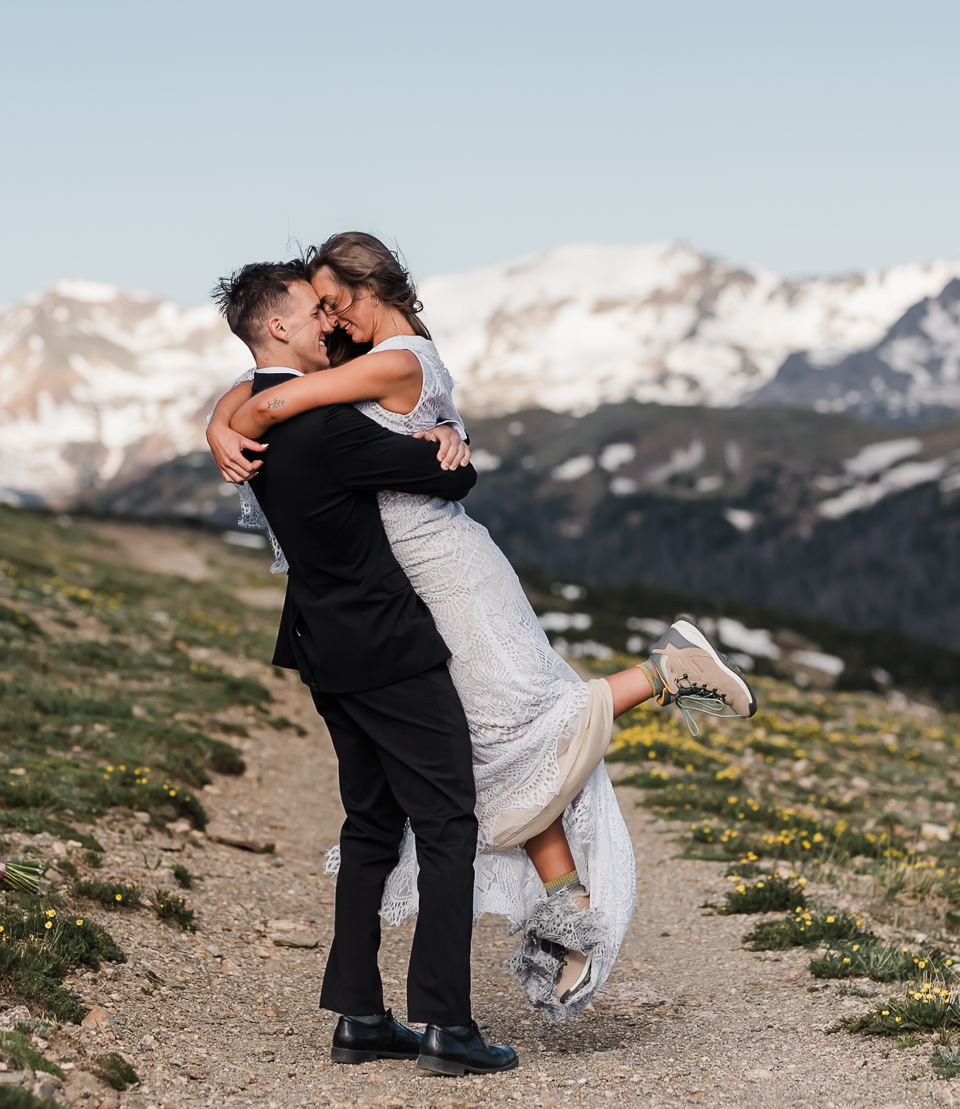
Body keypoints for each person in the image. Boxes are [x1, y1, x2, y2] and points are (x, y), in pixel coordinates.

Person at [208, 236, 757, 1020]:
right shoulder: (353, 364)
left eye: (332, 303)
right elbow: (263, 380)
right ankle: (566, 911)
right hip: (414, 585)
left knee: (514, 727)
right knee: (492, 743)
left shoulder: (397, 360)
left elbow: (276, 398)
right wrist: (218, 420)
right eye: (316, 309)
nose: (326, 321)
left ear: (368, 293)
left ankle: (666, 673)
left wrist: (234, 420)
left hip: (448, 573)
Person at [210, 260, 516, 1076]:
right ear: (277, 327)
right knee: (449, 822)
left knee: (371, 824)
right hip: (385, 648)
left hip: (322, 647)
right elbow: (456, 477)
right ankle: (448, 1024)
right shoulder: (327, 426)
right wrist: (449, 437)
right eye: (314, 313)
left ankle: (361, 1015)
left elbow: (254, 393)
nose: (329, 326)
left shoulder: (255, 420)